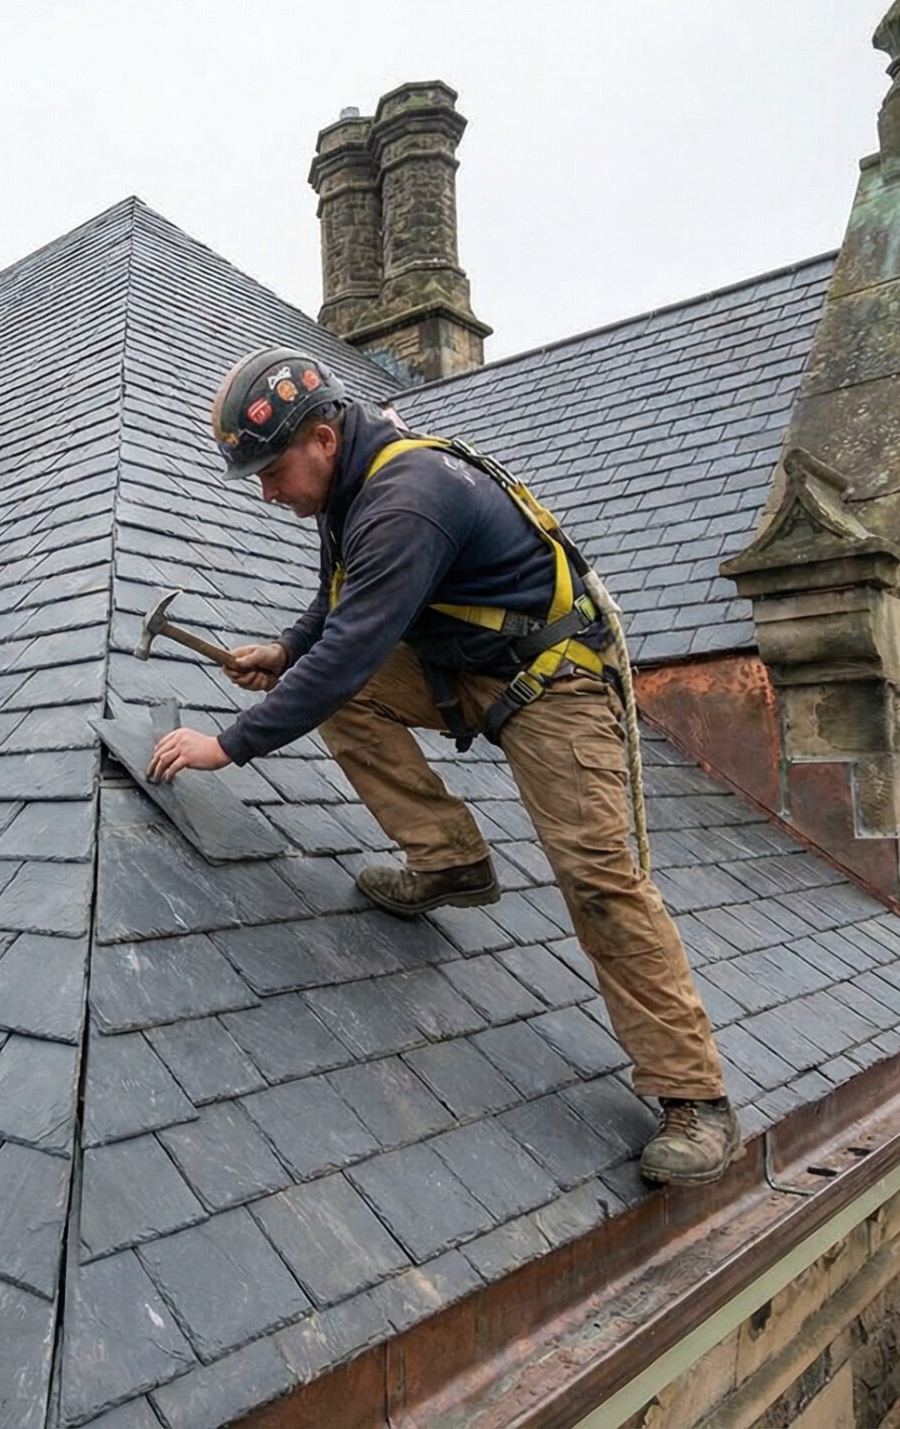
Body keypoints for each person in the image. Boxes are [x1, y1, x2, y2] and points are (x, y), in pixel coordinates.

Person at [145, 347, 737, 1185]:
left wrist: (229, 744)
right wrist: (284, 649)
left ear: (320, 437)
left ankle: (696, 1097)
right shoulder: (349, 485)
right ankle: (448, 860)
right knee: (331, 689)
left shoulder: (404, 498)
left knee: (600, 876)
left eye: (271, 471)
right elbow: (339, 605)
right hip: (462, 664)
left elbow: (352, 647)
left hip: (553, 679)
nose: (267, 493)